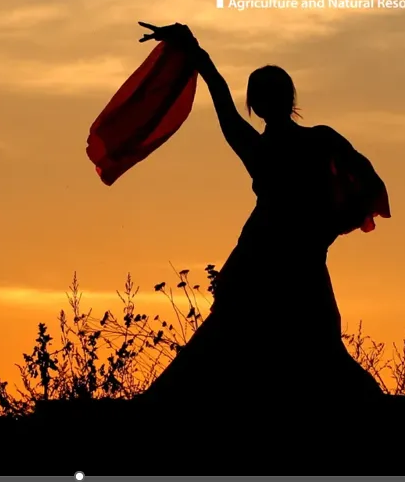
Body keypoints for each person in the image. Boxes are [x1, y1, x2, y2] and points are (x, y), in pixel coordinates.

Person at [138, 23, 387, 408]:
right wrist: (328, 227)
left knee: (226, 349)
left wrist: (194, 49)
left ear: (254, 105)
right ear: (290, 99)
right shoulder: (319, 141)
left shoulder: (260, 147)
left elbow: (220, 94)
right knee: (315, 352)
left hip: (265, 259)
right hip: (286, 261)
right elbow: (370, 185)